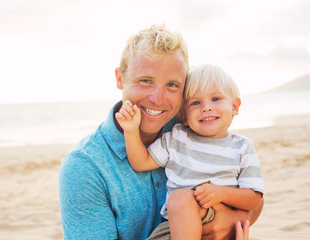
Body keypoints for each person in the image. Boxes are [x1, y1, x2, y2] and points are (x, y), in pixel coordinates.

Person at [59, 24, 264, 240]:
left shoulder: (191, 127)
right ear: (120, 78)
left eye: (173, 85)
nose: (158, 99)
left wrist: (230, 222)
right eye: (146, 81)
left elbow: (252, 196)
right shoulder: (84, 166)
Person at [115, 64, 263, 239]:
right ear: (183, 116)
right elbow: (141, 162)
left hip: (219, 220)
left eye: (216, 99)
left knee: (180, 199)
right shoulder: (177, 138)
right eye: (195, 102)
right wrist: (131, 131)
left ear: (235, 107)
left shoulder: (243, 147)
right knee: (180, 202)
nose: (206, 107)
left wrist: (221, 193)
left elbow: (254, 198)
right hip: (176, 229)